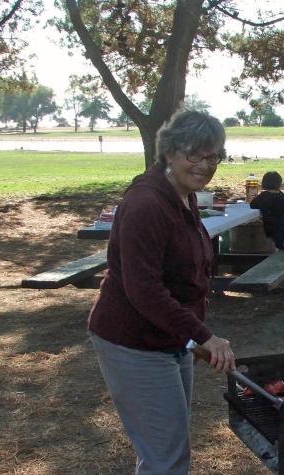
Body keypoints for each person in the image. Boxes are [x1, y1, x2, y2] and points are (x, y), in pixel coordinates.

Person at [87, 110, 235, 475]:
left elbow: (183, 278)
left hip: (168, 339)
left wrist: (191, 339)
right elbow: (144, 290)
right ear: (169, 153)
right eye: (194, 154)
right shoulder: (146, 204)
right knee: (165, 458)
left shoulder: (183, 196)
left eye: (213, 155)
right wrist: (204, 335)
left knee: (170, 448)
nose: (205, 165)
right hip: (133, 342)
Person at [250, 171, 284, 250]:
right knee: (282, 241)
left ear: (264, 184)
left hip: (271, 226)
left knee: (279, 242)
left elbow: (252, 204)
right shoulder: (282, 196)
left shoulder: (263, 197)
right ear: (279, 184)